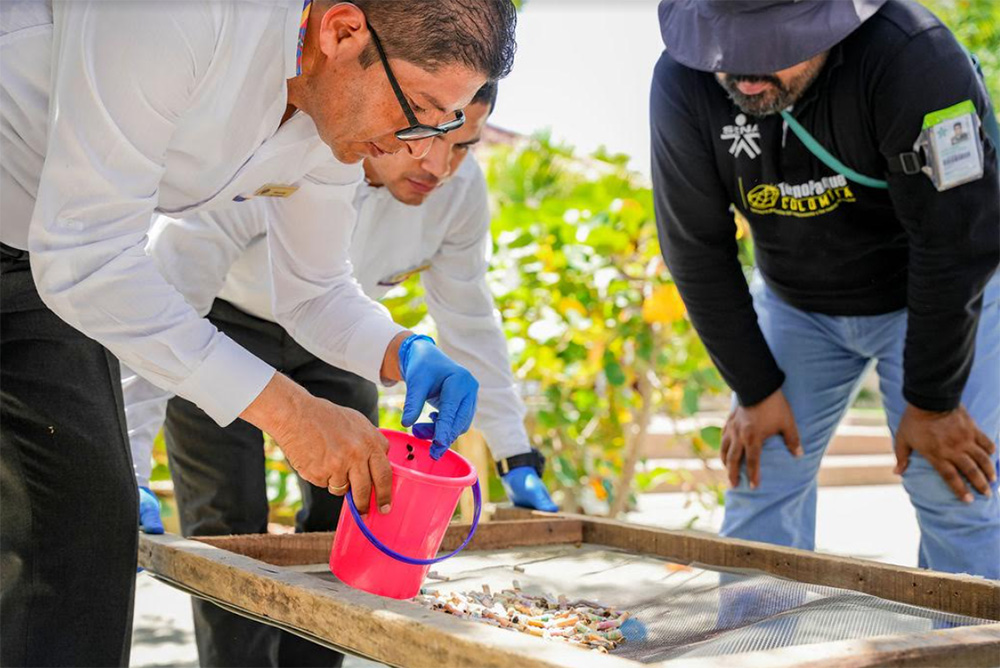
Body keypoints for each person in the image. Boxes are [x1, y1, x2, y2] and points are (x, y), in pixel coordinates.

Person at [0, 1, 517, 664]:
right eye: (416, 105)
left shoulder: (335, 114)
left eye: (449, 121)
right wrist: (292, 413)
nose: (418, 146)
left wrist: (401, 349)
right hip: (63, 253)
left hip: (38, 266)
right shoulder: (183, 17)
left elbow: (315, 292)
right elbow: (91, 260)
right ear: (341, 31)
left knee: (82, 546)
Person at [128, 83, 557, 666]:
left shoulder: (459, 193)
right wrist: (129, 464)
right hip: (220, 321)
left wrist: (515, 454)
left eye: (463, 146)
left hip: (345, 338)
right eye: (428, 135)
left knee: (358, 509)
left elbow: (470, 318)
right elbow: (162, 307)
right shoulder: (284, 153)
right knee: (228, 525)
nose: (438, 164)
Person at [651, 0, 999, 577]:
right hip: (797, 304)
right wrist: (755, 390)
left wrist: (933, 402)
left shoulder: (915, 55)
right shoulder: (680, 81)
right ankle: (758, 653)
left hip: (930, 294)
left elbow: (958, 238)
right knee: (760, 476)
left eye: (772, 45)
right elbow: (695, 247)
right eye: (730, 47)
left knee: (951, 485)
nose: (747, 71)